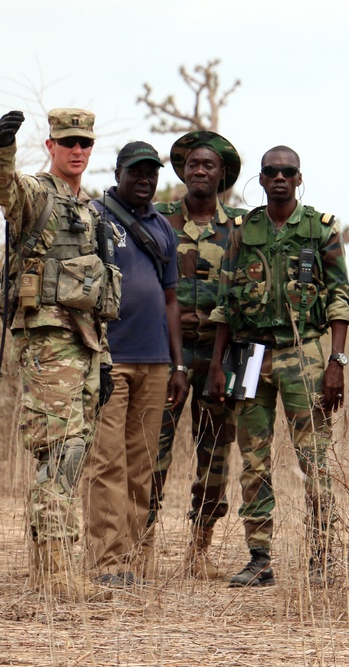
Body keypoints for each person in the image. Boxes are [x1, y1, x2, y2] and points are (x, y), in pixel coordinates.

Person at [0, 108, 119, 601]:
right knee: (56, 449)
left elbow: (97, 292)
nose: (77, 150)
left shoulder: (88, 209)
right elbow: (2, 189)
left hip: (84, 341)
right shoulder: (38, 193)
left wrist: (102, 360)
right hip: (47, 337)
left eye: (84, 143)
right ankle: (56, 569)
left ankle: (56, 564)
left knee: (74, 450)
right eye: (68, 142)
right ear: (51, 146)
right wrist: (0, 148)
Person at [206, 145, 349, 587]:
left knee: (314, 460)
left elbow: (339, 297)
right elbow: (225, 302)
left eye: (287, 172)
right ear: (262, 177)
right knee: (252, 460)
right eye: (271, 172)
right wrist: (217, 364)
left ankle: (323, 558)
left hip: (303, 351)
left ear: (299, 177)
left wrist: (336, 361)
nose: (279, 179)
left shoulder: (319, 229)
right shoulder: (241, 229)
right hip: (249, 355)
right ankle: (260, 558)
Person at [83, 141, 188, 586]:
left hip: (155, 362)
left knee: (142, 464)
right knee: (107, 462)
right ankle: (108, 562)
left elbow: (170, 300)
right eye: (136, 172)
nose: (144, 180)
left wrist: (178, 365)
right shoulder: (93, 217)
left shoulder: (163, 227)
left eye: (151, 173)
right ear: (119, 173)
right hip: (110, 360)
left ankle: (133, 560)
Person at [150, 131, 248, 579]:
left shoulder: (244, 228)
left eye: (209, 165)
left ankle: (200, 550)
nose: (200, 171)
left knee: (214, 454)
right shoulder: (158, 219)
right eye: (192, 165)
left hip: (221, 353)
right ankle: (138, 546)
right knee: (152, 450)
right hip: (165, 350)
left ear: (222, 174)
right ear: (182, 172)